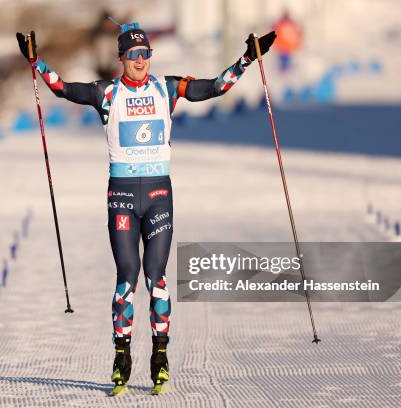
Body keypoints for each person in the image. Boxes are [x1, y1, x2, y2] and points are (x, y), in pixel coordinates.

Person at [16, 23, 275, 396]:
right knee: (127, 276)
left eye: (146, 53)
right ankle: (121, 358)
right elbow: (62, 88)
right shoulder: (107, 93)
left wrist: (249, 58)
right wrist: (36, 62)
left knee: (157, 275)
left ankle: (160, 356)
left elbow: (215, 86)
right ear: (121, 58)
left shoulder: (165, 88)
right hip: (121, 196)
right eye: (134, 54)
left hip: (158, 196)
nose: (141, 60)